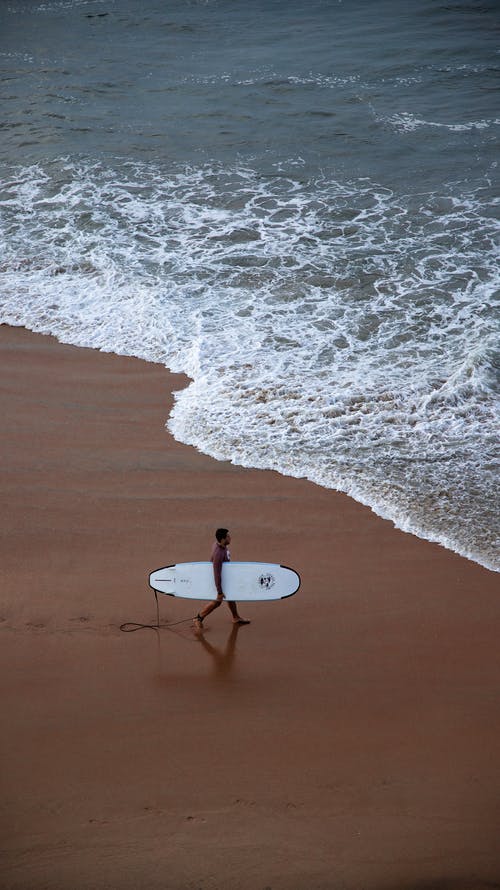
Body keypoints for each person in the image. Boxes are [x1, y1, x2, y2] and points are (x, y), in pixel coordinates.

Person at [193, 528, 250, 632]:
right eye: (228, 536)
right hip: (219, 580)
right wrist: (219, 591)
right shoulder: (218, 553)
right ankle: (198, 618)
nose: (230, 537)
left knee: (231, 596)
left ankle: (235, 617)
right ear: (223, 539)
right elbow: (216, 573)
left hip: (225, 577)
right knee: (217, 601)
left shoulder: (220, 545)